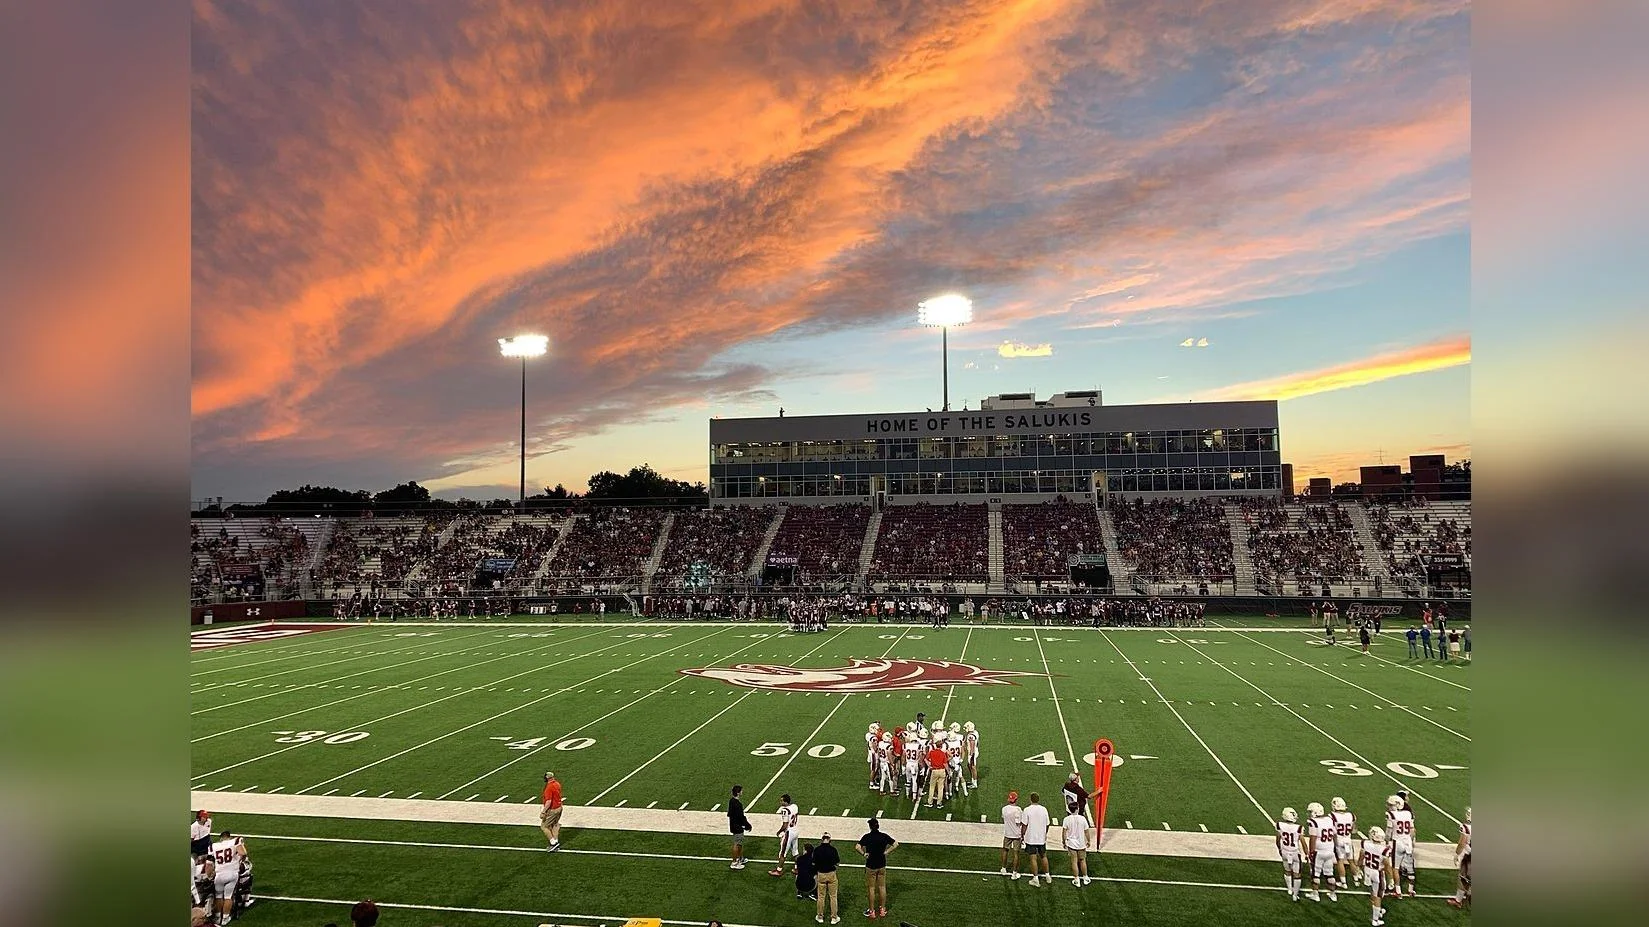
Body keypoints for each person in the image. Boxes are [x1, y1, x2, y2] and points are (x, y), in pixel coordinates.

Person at [856, 817, 897, 919]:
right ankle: (882, 909)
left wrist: (864, 854)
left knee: (871, 888)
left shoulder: (867, 837)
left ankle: (872, 911)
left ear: (870, 827)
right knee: (882, 887)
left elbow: (857, 847)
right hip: (881, 864)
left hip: (871, 865)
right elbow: (896, 844)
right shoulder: (883, 836)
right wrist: (886, 852)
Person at [1305, 802, 1337, 902]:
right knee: (1329, 873)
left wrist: (1311, 852)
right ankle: (1333, 894)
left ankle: (1315, 894)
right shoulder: (1329, 819)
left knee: (1316, 873)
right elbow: (1334, 835)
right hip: (1329, 849)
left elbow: (1313, 839)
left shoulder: (1313, 822)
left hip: (1319, 851)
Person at [1021, 792, 1052, 886]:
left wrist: (1022, 835)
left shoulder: (1027, 810)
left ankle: (1035, 878)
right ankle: (1047, 876)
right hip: (1041, 837)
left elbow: (1024, 825)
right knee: (1043, 856)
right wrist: (1044, 833)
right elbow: (1047, 824)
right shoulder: (1044, 809)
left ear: (1030, 799)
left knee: (1033, 858)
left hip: (1031, 838)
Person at [1361, 827, 1389, 926]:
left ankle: (1378, 910)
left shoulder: (1365, 843)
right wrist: (1391, 879)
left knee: (1373, 891)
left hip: (1367, 870)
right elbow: (1387, 864)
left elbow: (1361, 856)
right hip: (1378, 873)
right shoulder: (1384, 849)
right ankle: (1375, 920)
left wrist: (1358, 865)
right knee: (1378, 896)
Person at [1276, 807, 1304, 902]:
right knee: (1297, 874)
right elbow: (1303, 842)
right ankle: (1295, 895)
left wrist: (1279, 849)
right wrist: (1307, 853)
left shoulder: (1280, 825)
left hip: (1285, 851)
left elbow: (1278, 839)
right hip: (1295, 852)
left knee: (1287, 871)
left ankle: (1289, 889)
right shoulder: (1299, 828)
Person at [812, 832, 841, 924]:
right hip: (831, 874)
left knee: (821, 897)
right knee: (833, 897)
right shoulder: (833, 849)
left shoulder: (817, 850)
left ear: (822, 839)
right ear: (830, 840)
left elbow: (813, 863)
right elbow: (837, 863)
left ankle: (820, 916)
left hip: (821, 874)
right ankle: (834, 917)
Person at [1061, 805, 1092, 887]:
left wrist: (1064, 842)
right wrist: (1088, 841)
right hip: (1081, 843)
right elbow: (1086, 831)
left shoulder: (1066, 819)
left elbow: (1064, 833)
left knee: (1074, 862)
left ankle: (1076, 879)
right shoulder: (1082, 819)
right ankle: (1085, 877)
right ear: (1077, 809)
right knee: (1082, 860)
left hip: (1071, 844)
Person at [771, 794, 801, 877]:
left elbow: (785, 825)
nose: (780, 802)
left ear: (785, 801)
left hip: (789, 832)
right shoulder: (795, 806)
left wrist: (779, 831)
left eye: (781, 800)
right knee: (795, 852)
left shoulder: (785, 810)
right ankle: (798, 868)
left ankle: (778, 870)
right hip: (795, 830)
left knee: (782, 853)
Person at [1448, 807, 1472, 909]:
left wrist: (1457, 854)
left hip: (1470, 856)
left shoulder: (1466, 827)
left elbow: (1462, 843)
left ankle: (1458, 901)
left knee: (1463, 878)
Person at [1330, 796, 1357, 887]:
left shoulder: (1332, 816)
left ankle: (1343, 882)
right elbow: (1354, 829)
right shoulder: (1351, 815)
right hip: (1348, 839)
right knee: (1351, 860)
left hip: (1339, 840)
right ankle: (1356, 880)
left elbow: (1332, 832)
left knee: (1340, 861)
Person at [727, 784, 753, 870]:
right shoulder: (738, 804)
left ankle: (740, 858)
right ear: (738, 793)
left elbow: (730, 814)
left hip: (734, 824)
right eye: (741, 791)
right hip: (737, 826)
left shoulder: (731, 801)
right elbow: (741, 817)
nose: (742, 792)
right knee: (737, 843)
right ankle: (734, 862)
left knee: (740, 842)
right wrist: (747, 825)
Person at [1000, 791, 1024, 879]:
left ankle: (1003, 868)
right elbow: (1019, 822)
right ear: (1016, 799)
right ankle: (1014, 873)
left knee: (1005, 850)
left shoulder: (1004, 809)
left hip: (1007, 833)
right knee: (1016, 853)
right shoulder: (1018, 810)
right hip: (1016, 834)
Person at [541, 771, 563, 851]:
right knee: (555, 825)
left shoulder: (549, 787)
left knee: (544, 826)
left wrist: (543, 812)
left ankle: (553, 843)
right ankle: (556, 841)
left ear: (547, 778)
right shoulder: (557, 784)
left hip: (553, 809)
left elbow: (548, 801)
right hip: (559, 807)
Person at [925, 738, 948, 807]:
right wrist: (948, 772)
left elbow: (926, 759)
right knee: (940, 788)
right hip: (942, 770)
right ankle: (939, 803)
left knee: (932, 787)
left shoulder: (932, 752)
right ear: (941, 746)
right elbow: (945, 764)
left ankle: (930, 802)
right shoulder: (943, 753)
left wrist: (929, 766)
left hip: (934, 770)